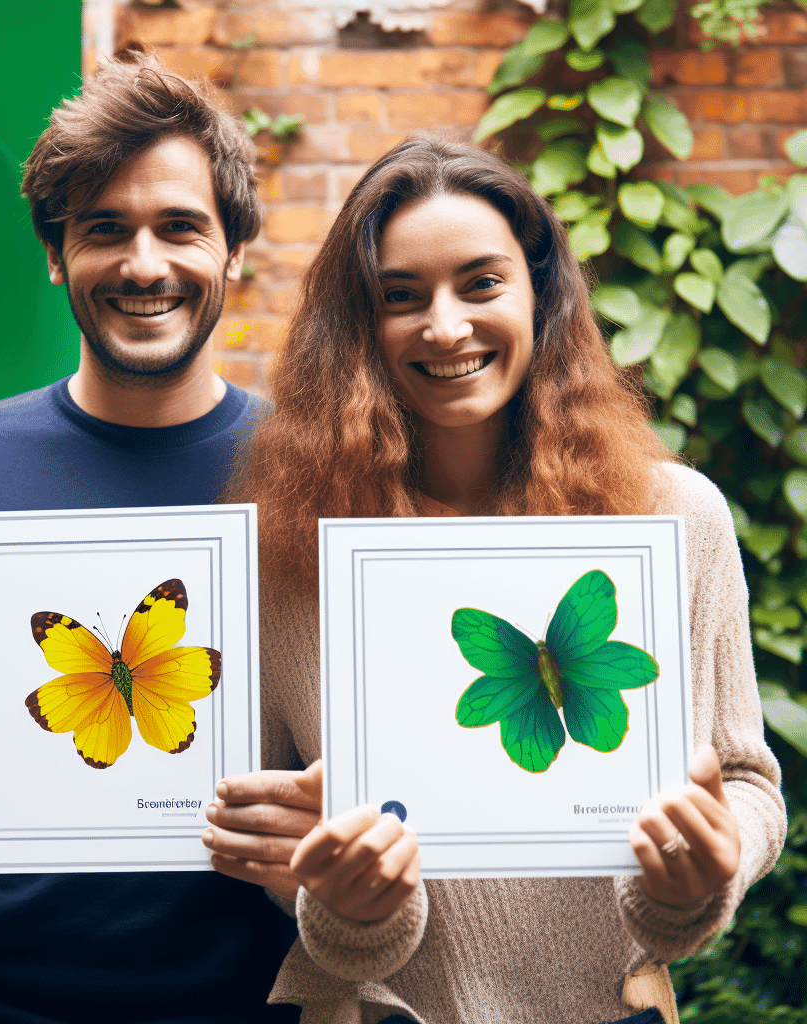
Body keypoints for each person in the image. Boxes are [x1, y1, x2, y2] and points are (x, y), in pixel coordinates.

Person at [202, 136, 787, 1024]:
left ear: (541, 294)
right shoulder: (291, 548)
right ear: (358, 325)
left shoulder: (674, 518)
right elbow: (276, 828)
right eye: (401, 296)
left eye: (481, 283)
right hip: (371, 1008)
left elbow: (746, 778)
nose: (444, 326)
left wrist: (715, 857)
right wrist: (332, 893)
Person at [0, 48, 302, 1024]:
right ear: (55, 255)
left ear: (234, 252)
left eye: (180, 227)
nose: (143, 263)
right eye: (103, 230)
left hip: (246, 1005)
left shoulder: (311, 472)